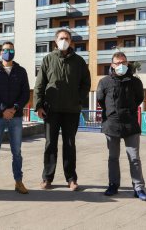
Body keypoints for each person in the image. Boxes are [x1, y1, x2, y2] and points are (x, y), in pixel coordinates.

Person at [34, 29, 91, 191]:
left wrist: (78, 99)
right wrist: (38, 105)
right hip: (51, 110)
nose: (64, 40)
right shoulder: (47, 60)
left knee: (70, 144)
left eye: (66, 38)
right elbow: (40, 84)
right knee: (50, 144)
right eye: (61, 38)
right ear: (55, 41)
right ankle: (47, 178)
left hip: (71, 110)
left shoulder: (79, 61)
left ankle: (71, 179)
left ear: (71, 41)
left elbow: (86, 83)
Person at [96, 52, 146, 201]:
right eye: (117, 63)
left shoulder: (135, 82)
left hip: (130, 125)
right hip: (111, 125)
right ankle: (113, 184)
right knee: (113, 157)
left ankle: (138, 188)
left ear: (127, 64)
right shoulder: (104, 82)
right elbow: (100, 100)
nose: (120, 66)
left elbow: (139, 99)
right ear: (112, 65)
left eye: (123, 63)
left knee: (134, 158)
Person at [0, 41, 30, 194]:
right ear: (0, 52)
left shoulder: (21, 71)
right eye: (5, 50)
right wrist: (3, 109)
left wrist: (15, 108)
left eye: (10, 50)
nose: (8, 52)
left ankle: (18, 182)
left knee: (16, 151)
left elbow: (25, 94)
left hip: (15, 117)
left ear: (14, 52)